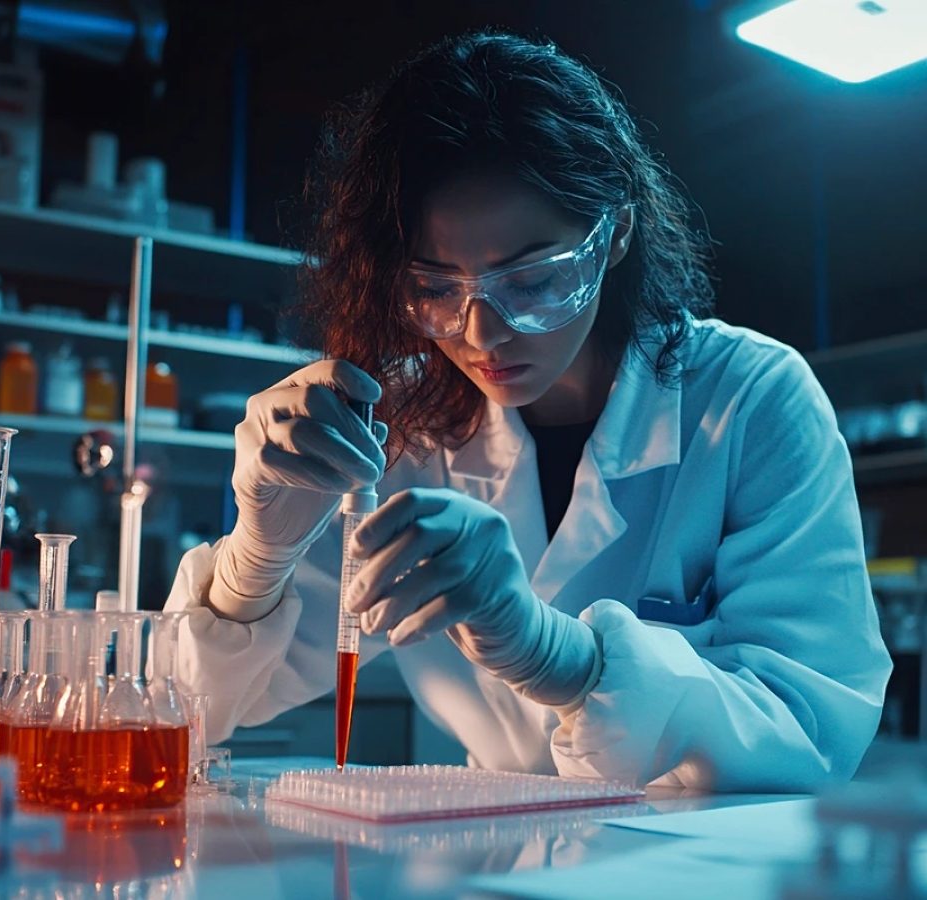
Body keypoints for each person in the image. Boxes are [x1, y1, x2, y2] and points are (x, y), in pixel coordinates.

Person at [165, 30, 891, 790]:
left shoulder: (749, 399)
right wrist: (258, 559)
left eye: (533, 280)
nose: (481, 333)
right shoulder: (401, 427)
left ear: (615, 233)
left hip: (691, 849)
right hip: (493, 842)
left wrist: (564, 660)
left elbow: (813, 732)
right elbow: (194, 710)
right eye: (436, 288)